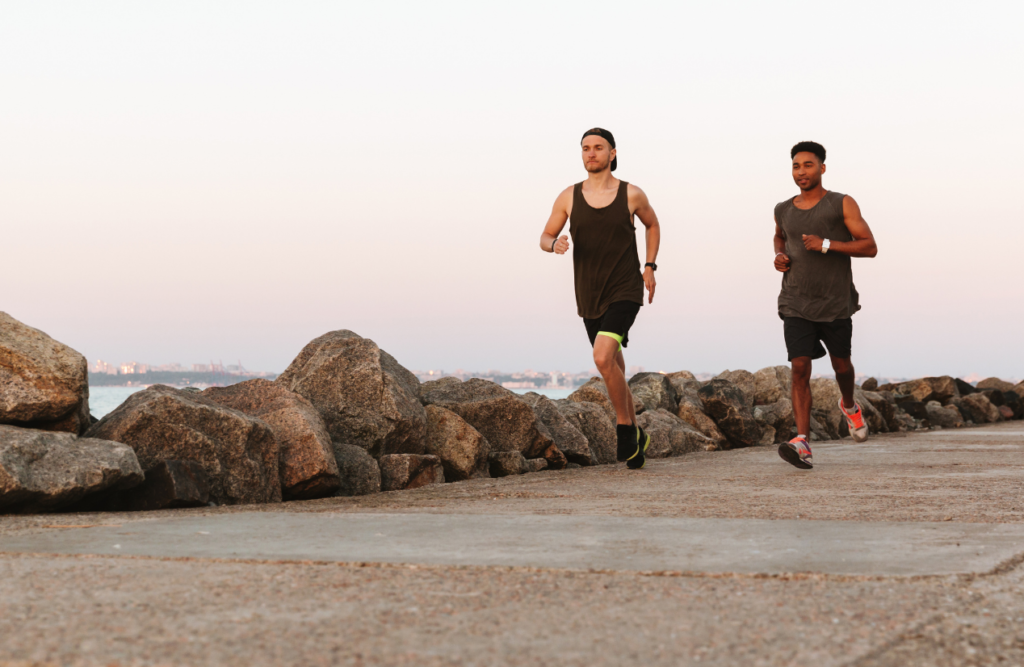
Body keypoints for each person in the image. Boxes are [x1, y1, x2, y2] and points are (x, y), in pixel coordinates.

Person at [540, 128, 661, 469]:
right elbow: (545, 235)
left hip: (625, 288)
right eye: (585, 148)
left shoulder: (631, 194)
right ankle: (639, 435)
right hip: (589, 294)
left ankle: (625, 427)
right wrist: (554, 244)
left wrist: (649, 266)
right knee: (615, 363)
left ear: (612, 153)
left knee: (603, 356)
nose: (591, 153)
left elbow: (653, 225)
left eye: (598, 148)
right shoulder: (568, 196)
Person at [773, 141, 878, 469]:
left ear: (822, 167)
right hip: (795, 300)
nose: (801, 172)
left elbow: (870, 246)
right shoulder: (783, 209)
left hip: (834, 302)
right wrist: (778, 255)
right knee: (800, 366)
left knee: (841, 366)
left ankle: (849, 404)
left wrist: (827, 244)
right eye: (795, 166)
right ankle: (802, 441)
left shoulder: (841, 203)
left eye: (807, 165)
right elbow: (780, 236)